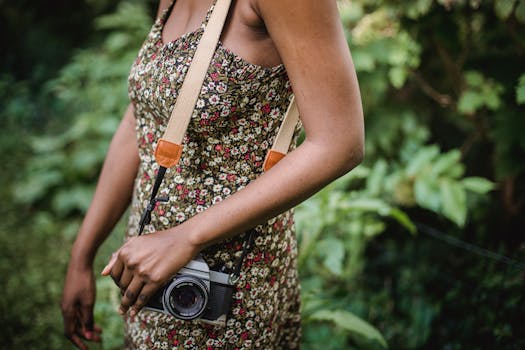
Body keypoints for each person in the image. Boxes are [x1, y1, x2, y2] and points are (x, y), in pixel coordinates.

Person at [61, 0, 364, 348]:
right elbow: (143, 121)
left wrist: (185, 238)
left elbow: (339, 143)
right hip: (148, 268)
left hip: (230, 289)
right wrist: (81, 256)